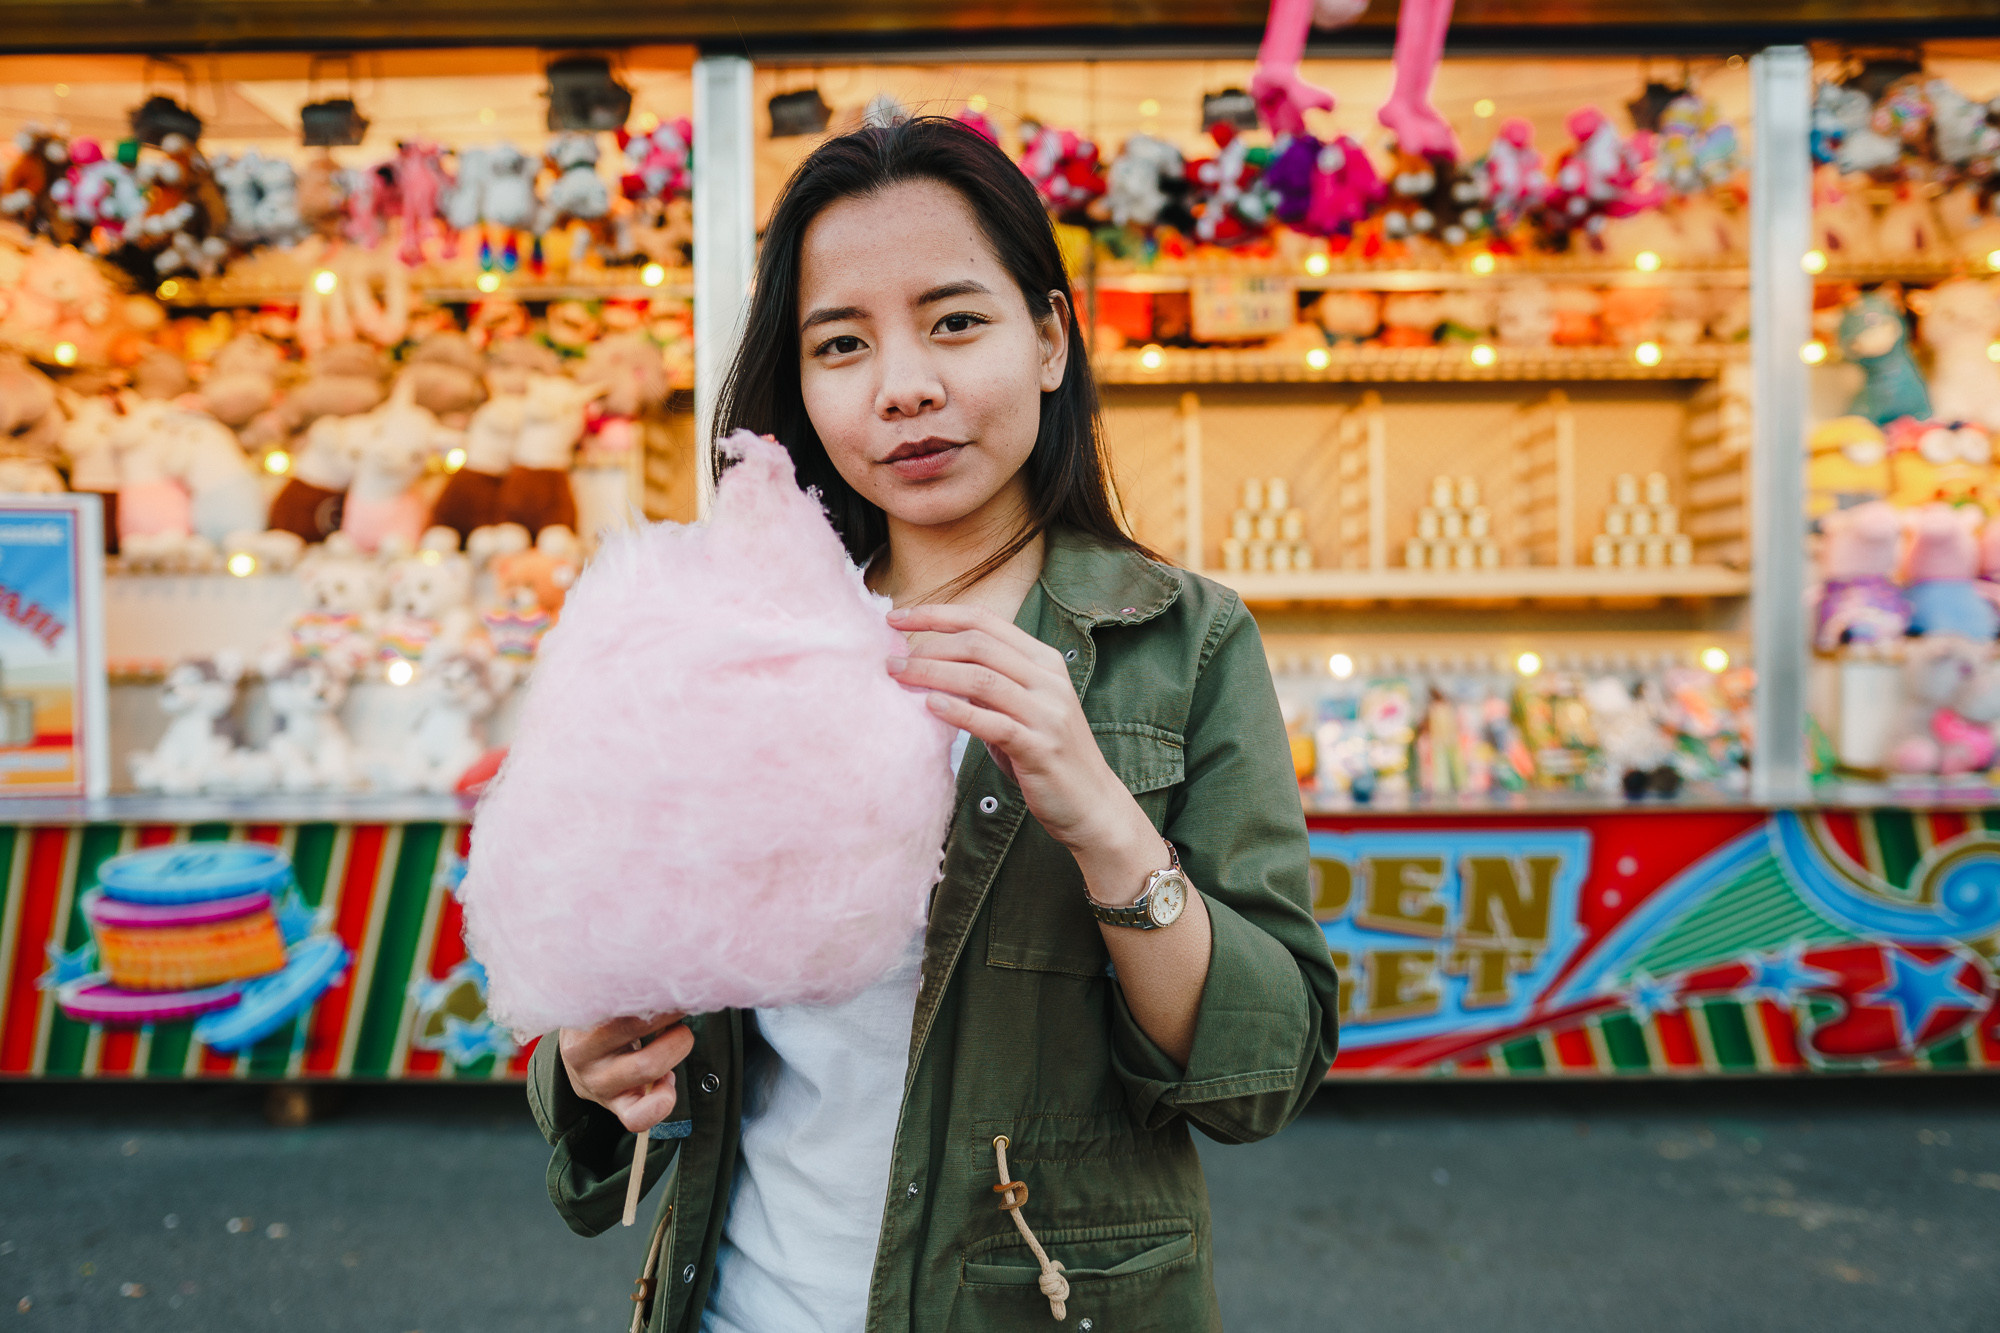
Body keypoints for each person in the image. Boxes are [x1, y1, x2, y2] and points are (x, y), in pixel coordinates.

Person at [527, 115, 1340, 1333]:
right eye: (840, 343)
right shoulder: (732, 634)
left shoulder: (1184, 644)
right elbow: (616, 993)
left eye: (954, 321)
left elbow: (1262, 1069)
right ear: (798, 385)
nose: (903, 384)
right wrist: (584, 1064)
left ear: (1050, 339)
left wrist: (1106, 826)